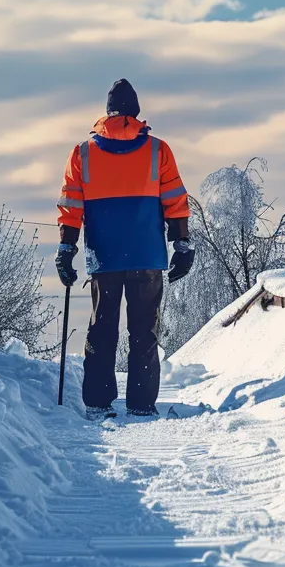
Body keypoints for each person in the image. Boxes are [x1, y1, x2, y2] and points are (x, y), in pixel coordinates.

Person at [55, 78, 195, 420]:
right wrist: (182, 243)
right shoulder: (157, 150)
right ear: (135, 112)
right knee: (144, 330)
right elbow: (175, 201)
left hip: (104, 258)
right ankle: (141, 404)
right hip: (147, 255)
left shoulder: (82, 153)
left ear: (107, 112)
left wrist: (65, 248)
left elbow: (71, 207)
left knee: (103, 328)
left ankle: (99, 403)